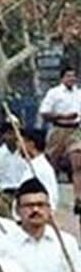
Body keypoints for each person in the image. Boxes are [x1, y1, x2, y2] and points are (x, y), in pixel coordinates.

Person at [37, 65, 81, 213]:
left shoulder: (79, 93)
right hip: (58, 130)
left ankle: (78, 199)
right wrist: (63, 117)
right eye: (68, 76)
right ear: (62, 78)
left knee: (77, 164)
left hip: (75, 131)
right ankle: (49, 197)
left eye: (73, 76)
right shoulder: (54, 93)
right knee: (51, 166)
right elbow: (44, 113)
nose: (72, 79)